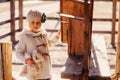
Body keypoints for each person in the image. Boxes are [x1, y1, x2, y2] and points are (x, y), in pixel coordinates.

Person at [16, 9, 61, 80]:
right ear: (28, 22)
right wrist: (26, 60)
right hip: (35, 71)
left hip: (46, 70)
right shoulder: (25, 36)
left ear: (42, 22)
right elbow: (18, 52)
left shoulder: (43, 33)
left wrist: (57, 36)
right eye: (32, 22)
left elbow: (49, 44)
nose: (35, 25)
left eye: (38, 22)